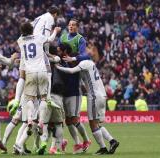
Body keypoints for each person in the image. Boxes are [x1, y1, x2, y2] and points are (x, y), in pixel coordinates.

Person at [5, 6, 60, 153]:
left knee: (29, 97)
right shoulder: (39, 37)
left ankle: (29, 119)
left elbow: (23, 41)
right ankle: (41, 121)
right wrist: (55, 31)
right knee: (43, 99)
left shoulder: (20, 41)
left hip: (29, 72)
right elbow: (49, 39)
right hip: (42, 71)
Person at [55, 51, 120, 155]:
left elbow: (72, 71)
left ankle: (103, 148)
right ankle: (112, 141)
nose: (71, 61)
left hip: (94, 96)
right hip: (101, 95)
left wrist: (58, 67)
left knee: (93, 124)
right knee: (97, 123)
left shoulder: (83, 63)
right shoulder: (90, 64)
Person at [58, 18, 91, 154]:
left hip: (75, 87)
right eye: (69, 25)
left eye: (73, 25)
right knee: (68, 120)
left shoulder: (80, 39)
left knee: (74, 118)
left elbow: (86, 56)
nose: (71, 27)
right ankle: (77, 143)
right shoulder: (63, 37)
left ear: (77, 27)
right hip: (65, 89)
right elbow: (58, 50)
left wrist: (74, 58)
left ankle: (86, 140)